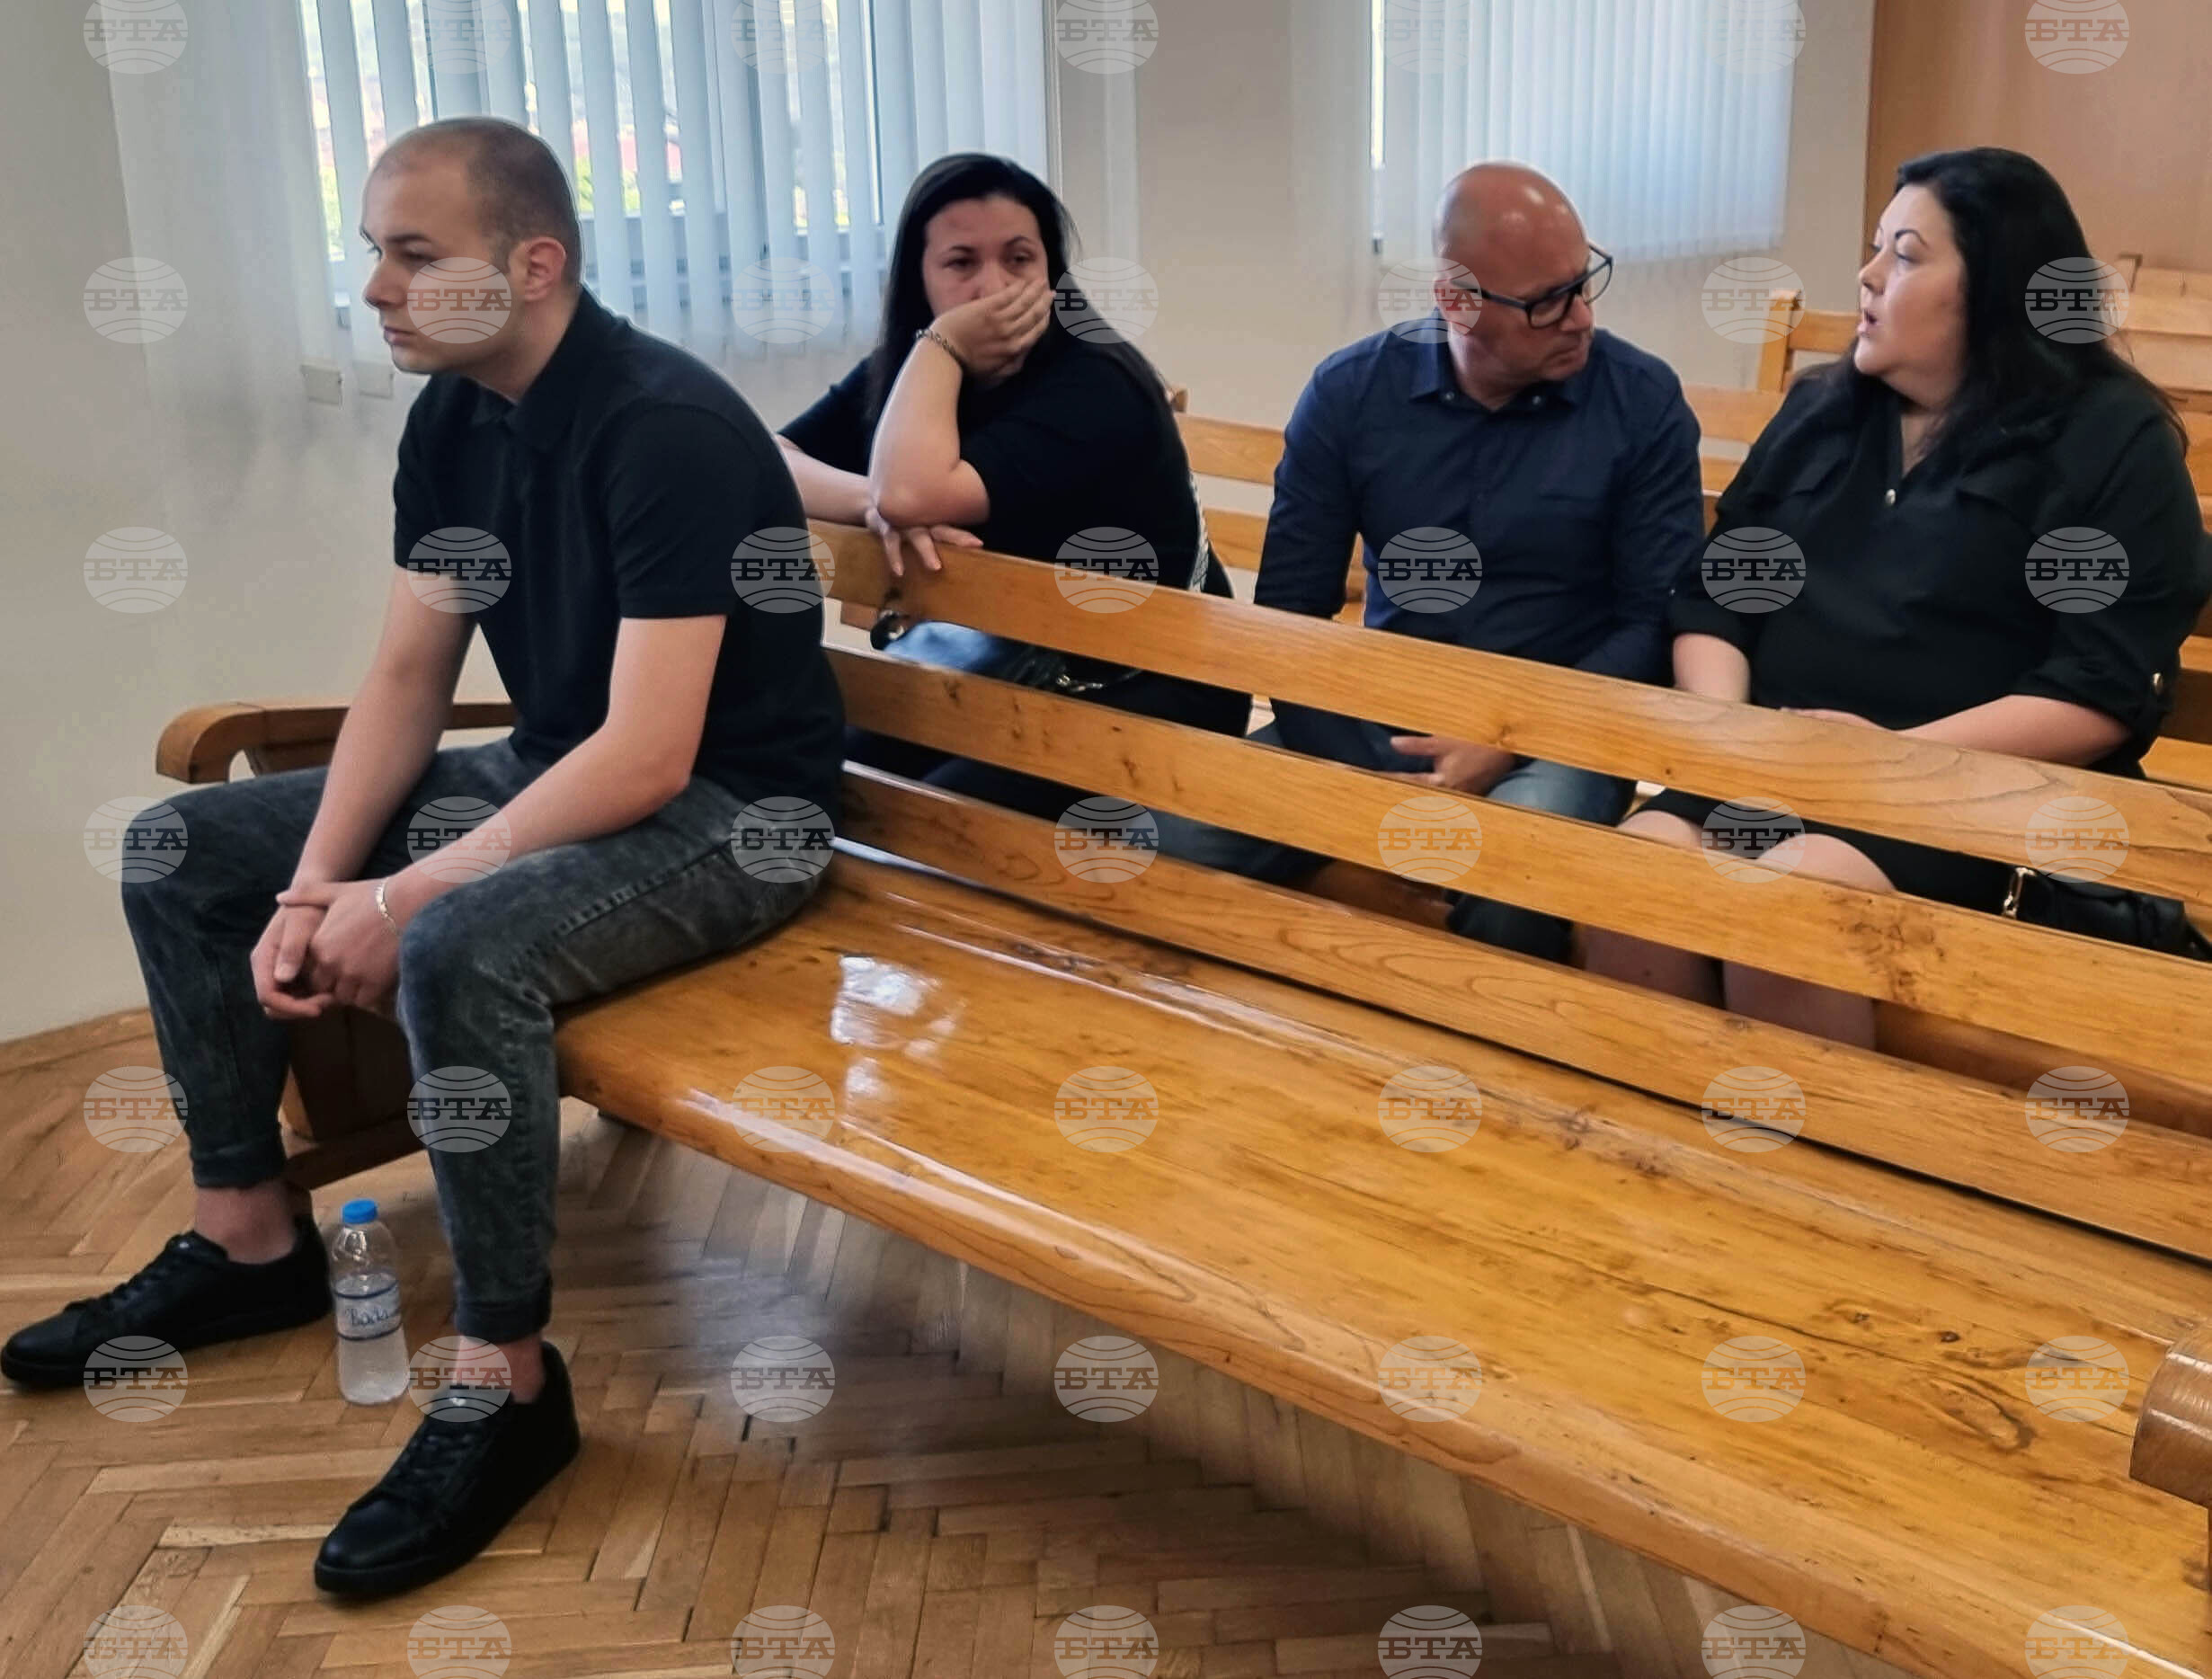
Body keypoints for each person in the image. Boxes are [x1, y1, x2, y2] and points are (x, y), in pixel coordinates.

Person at [1, 118, 845, 1596]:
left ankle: (506, 1381)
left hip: (734, 815)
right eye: (371, 254)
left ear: (534, 265)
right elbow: (405, 680)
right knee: (180, 847)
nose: (376, 289)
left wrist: (403, 896)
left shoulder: (667, 429)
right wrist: (315, 885)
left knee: (456, 943)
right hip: (558, 768)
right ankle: (246, 1237)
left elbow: (653, 756)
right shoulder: (456, 418)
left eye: (412, 253)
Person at [1584, 147, 2212, 1045]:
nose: (1869, 274)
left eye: (1906, 255)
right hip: (1776, 768)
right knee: (1634, 874)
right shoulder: (1822, 410)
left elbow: (2096, 690)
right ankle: (1665, 1125)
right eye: (1876, 247)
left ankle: (1804, 1136)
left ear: (1994, 289)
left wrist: (1884, 762)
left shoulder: (2109, 442)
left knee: (1793, 897)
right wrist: (1731, 732)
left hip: (1969, 795)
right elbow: (1714, 600)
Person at [1153, 163, 1705, 962]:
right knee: (1167, 846)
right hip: (1378, 716)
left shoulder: (1641, 401)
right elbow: (1289, 619)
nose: (1581, 317)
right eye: (1548, 301)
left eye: (1584, 283)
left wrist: (1509, 737)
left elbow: (1649, 624)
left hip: (1560, 728)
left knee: (1507, 891)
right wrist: (1365, 771)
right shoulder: (1349, 393)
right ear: (1457, 301)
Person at [776, 152, 1248, 820]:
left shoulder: (1095, 384)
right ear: (919, 276)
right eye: (960, 263)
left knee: (940, 815)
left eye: (1019, 259)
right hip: (1008, 656)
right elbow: (768, 460)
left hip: (1149, 679)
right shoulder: (917, 370)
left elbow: (910, 495)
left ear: (1051, 271)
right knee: (824, 772)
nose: (993, 287)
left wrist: (942, 344)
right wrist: (868, 502)